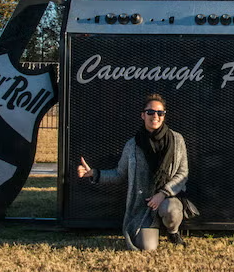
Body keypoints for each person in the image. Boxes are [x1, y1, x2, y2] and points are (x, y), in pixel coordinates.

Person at [78, 93, 189, 250]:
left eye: (160, 112)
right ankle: (152, 228)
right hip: (143, 206)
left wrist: (162, 193)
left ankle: (173, 231)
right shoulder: (132, 145)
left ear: (164, 116)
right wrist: (95, 174)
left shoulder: (177, 140)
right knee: (147, 247)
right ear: (142, 115)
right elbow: (120, 174)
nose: (155, 116)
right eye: (150, 112)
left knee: (171, 210)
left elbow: (182, 173)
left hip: (166, 199)